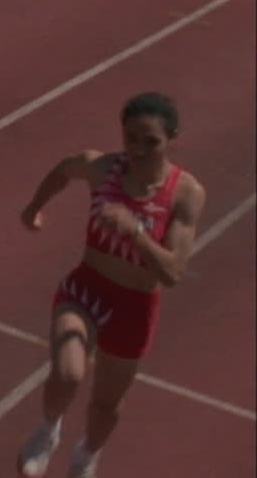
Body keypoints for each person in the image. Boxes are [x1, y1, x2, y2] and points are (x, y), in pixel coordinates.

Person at [15, 92, 206, 477]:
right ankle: (48, 430)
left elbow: (171, 272)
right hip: (86, 289)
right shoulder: (102, 168)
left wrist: (135, 233)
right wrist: (34, 208)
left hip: (134, 307)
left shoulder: (185, 193)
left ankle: (87, 455)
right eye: (130, 138)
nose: (137, 149)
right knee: (68, 372)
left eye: (149, 141)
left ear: (172, 137)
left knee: (105, 406)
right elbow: (65, 170)